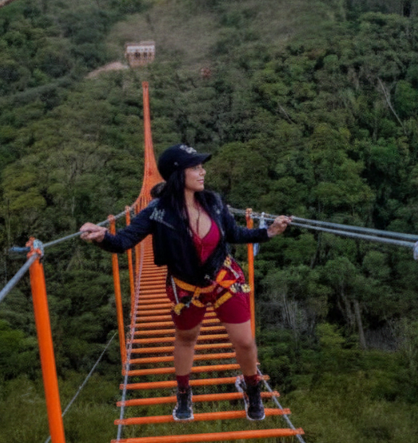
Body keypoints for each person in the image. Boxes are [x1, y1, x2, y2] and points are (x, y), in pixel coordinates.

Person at [80, 143, 290, 422]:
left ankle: (252, 388)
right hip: (186, 288)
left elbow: (234, 234)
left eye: (202, 166)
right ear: (179, 174)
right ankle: (183, 392)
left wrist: (268, 232)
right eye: (196, 167)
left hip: (223, 278)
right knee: (187, 338)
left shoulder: (213, 202)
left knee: (246, 341)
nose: (203, 172)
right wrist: (102, 236)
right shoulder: (157, 212)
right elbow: (124, 242)